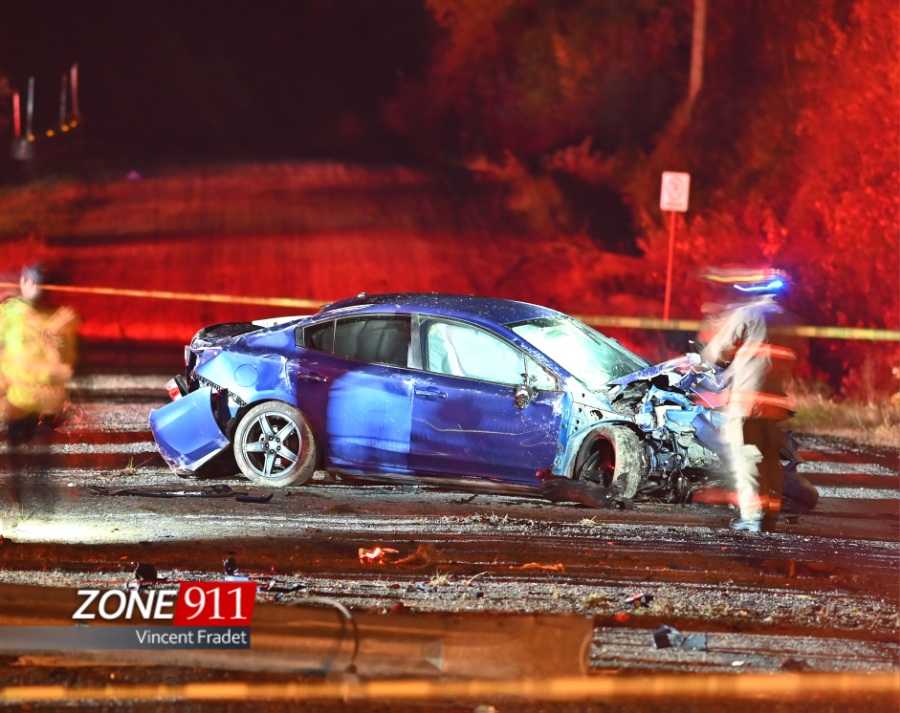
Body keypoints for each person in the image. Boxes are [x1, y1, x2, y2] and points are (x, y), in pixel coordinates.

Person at [699, 268, 798, 533]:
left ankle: (752, 517)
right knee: (769, 460)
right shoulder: (788, 321)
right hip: (775, 404)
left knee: (746, 458)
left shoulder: (748, 314)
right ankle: (769, 516)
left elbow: (717, 351)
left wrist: (704, 359)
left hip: (747, 402)